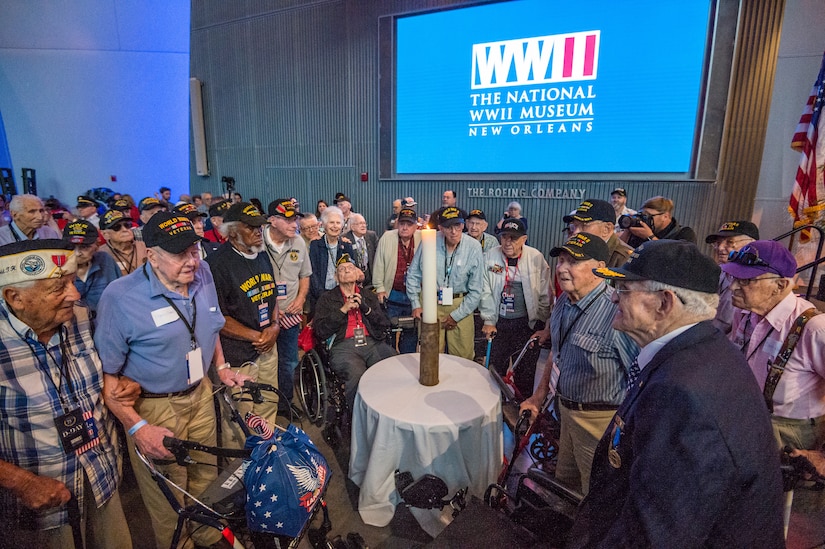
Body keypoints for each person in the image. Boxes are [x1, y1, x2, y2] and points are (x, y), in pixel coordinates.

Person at [567, 239, 785, 548]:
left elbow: (655, 535)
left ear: (665, 303)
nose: (613, 298)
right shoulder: (701, 350)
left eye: (625, 289)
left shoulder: (681, 394)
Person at [95, 212, 246, 549]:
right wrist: (137, 428)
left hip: (202, 395)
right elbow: (109, 379)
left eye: (195, 250)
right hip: (155, 407)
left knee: (207, 476)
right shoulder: (120, 298)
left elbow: (211, 325)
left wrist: (221, 367)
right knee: (170, 496)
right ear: (152, 255)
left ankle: (208, 536)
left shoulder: (203, 272)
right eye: (181, 254)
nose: (192, 260)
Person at [0, 239, 136, 549]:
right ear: (15, 297)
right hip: (41, 500)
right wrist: (21, 483)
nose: (74, 295)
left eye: (73, 281)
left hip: (101, 475)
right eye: (59, 287)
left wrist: (123, 382)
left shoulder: (83, 319)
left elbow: (106, 372)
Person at [521, 233, 638, 495]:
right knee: (565, 487)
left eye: (572, 262)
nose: (562, 268)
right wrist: (538, 396)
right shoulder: (563, 302)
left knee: (595, 497)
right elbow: (556, 355)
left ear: (600, 268)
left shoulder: (617, 312)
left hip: (600, 424)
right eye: (561, 261)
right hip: (566, 415)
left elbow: (640, 379)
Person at [723, 241, 825, 501]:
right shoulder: (745, 314)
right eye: (733, 277)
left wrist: (822, 455)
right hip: (746, 420)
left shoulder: (814, 328)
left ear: (780, 285)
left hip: (789, 436)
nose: (733, 287)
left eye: (746, 281)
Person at [207, 202, 281, 425]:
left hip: (267, 348)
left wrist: (275, 326)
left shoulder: (261, 255)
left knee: (268, 404)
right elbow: (217, 318)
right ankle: (245, 461)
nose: (258, 232)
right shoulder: (216, 265)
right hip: (238, 356)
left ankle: (267, 453)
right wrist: (257, 337)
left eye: (259, 226)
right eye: (250, 227)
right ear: (231, 232)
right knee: (242, 419)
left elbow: (273, 295)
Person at [313, 254, 396, 411]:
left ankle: (390, 409)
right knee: (357, 374)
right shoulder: (327, 299)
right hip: (343, 345)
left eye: (350, 268)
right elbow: (320, 331)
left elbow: (384, 323)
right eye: (342, 270)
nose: (346, 271)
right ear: (336, 277)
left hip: (371, 342)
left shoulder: (368, 296)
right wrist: (343, 310)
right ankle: (357, 418)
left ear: (358, 274)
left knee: (392, 364)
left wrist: (366, 309)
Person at [480, 218, 550, 398]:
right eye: (504, 237)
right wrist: (489, 320)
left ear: (524, 239)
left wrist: (539, 322)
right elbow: (485, 290)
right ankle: (494, 405)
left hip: (526, 325)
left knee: (525, 374)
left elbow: (544, 292)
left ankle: (521, 408)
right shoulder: (490, 256)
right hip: (499, 324)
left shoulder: (535, 257)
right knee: (495, 371)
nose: (508, 242)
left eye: (514, 238)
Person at [407, 207, 484, 360]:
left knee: (463, 356)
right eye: (449, 227)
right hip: (430, 302)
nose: (454, 231)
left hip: (460, 304)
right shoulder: (429, 241)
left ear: (464, 225)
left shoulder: (473, 247)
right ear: (441, 228)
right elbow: (413, 274)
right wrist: (416, 303)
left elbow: (476, 289)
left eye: (457, 226)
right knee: (430, 354)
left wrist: (457, 315)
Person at [263, 198, 311, 417]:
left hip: (291, 313)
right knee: (265, 364)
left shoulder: (299, 242)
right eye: (289, 220)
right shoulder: (258, 242)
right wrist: (272, 308)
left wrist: (301, 299)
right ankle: (265, 407)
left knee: (289, 361)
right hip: (264, 316)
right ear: (273, 220)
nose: (295, 225)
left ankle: (285, 404)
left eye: (296, 220)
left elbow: (305, 276)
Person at [372, 207, 421, 353]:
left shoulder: (423, 238)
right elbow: (379, 263)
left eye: (409, 224)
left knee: (411, 331)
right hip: (392, 293)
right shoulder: (387, 237)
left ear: (415, 226)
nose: (405, 227)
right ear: (397, 223)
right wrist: (379, 288)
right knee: (390, 331)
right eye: (402, 223)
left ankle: (407, 356)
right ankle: (390, 356)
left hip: (414, 295)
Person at [705, 220, 760, 334]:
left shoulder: (756, 281)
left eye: (729, 242)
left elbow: (726, 324)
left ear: (751, 244)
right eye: (717, 243)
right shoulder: (718, 271)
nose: (720, 248)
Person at [62, 219, 120, 317]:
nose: (77, 253)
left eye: (84, 247)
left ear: (97, 245)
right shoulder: (57, 269)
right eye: (71, 247)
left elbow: (120, 295)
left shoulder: (105, 260)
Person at [308, 206, 355, 310]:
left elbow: (352, 271)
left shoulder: (346, 245)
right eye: (331, 222)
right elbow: (312, 272)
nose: (335, 226)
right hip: (320, 296)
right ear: (324, 225)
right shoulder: (315, 245)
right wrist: (322, 296)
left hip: (343, 296)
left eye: (338, 223)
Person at [565, 199, 633, 268]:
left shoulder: (625, 258)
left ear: (606, 229)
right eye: (574, 226)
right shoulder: (577, 249)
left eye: (584, 225)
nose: (576, 232)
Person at [621, 195, 696, 248]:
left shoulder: (684, 234)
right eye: (642, 215)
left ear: (665, 216)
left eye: (648, 216)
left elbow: (679, 260)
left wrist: (650, 237)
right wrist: (628, 230)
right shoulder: (639, 233)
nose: (644, 219)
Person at [99, 209, 147, 276]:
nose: (125, 230)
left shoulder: (145, 246)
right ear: (105, 234)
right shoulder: (100, 255)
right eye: (117, 227)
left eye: (127, 225)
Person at [344, 213, 378, 283]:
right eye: (360, 223)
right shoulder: (345, 238)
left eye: (364, 223)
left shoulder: (372, 236)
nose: (363, 226)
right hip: (354, 278)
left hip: (370, 277)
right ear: (352, 227)